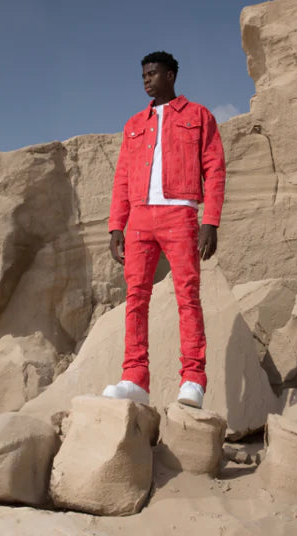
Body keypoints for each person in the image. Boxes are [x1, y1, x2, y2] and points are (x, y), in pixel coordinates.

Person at [101, 50, 226, 408]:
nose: (146, 80)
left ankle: (193, 380)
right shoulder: (133, 123)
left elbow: (214, 170)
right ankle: (135, 378)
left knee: (188, 297)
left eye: (153, 74)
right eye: (143, 75)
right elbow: (122, 177)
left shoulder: (199, 116)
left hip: (180, 214)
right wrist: (116, 227)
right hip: (139, 218)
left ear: (170, 76)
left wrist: (210, 221)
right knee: (135, 299)